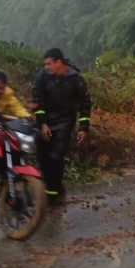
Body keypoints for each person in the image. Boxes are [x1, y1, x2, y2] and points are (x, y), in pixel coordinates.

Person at [32, 48, 91, 205]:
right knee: (42, 155)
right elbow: (38, 101)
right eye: (45, 64)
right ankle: (51, 185)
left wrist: (83, 127)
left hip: (65, 121)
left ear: (59, 62)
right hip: (46, 120)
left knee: (56, 156)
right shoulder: (42, 77)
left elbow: (85, 104)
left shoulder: (75, 79)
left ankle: (53, 193)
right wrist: (43, 123)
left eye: (49, 64)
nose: (47, 67)